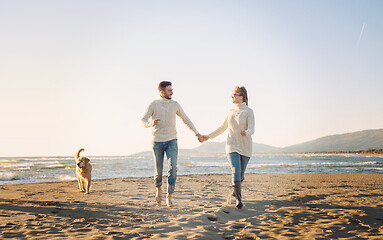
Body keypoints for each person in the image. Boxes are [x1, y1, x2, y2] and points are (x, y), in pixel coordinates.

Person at [141, 81, 203, 207]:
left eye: (172, 89)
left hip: (171, 141)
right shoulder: (153, 104)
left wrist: (196, 133)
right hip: (157, 141)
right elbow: (143, 120)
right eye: (169, 90)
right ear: (162, 92)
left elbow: (186, 119)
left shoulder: (175, 105)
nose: (172, 92)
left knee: (172, 168)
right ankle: (158, 189)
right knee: (158, 172)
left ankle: (169, 195)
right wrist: (150, 124)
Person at [201, 86, 255, 209]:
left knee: (240, 175)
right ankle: (239, 200)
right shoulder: (230, 111)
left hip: (246, 147)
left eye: (235, 95)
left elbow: (252, 128)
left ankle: (235, 192)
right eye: (232, 95)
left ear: (242, 97)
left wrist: (246, 132)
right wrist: (208, 136)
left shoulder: (249, 111)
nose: (232, 97)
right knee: (236, 170)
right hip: (232, 145)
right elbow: (222, 127)